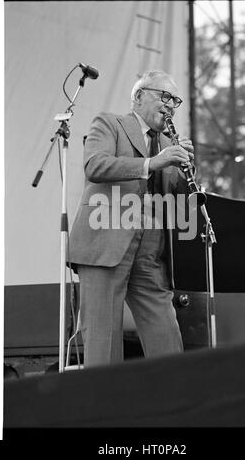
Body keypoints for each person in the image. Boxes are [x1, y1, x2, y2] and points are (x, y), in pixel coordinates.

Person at [69, 69, 195, 367]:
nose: (169, 105)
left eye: (175, 100)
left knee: (166, 332)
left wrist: (184, 170)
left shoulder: (167, 142)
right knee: (103, 341)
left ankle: (173, 406)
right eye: (163, 96)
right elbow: (95, 166)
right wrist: (154, 162)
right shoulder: (110, 123)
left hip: (152, 246)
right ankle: (107, 411)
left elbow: (173, 195)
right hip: (106, 239)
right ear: (138, 96)